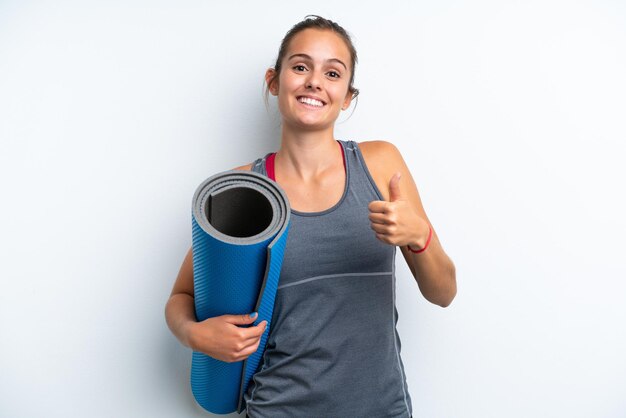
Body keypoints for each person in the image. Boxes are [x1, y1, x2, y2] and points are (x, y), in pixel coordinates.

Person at [165, 15, 456, 418]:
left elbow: (443, 293)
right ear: (274, 80)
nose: (314, 81)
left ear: (347, 96)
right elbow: (180, 299)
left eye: (332, 73)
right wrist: (196, 335)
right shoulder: (243, 188)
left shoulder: (380, 164)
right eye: (300, 67)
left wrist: (418, 235)